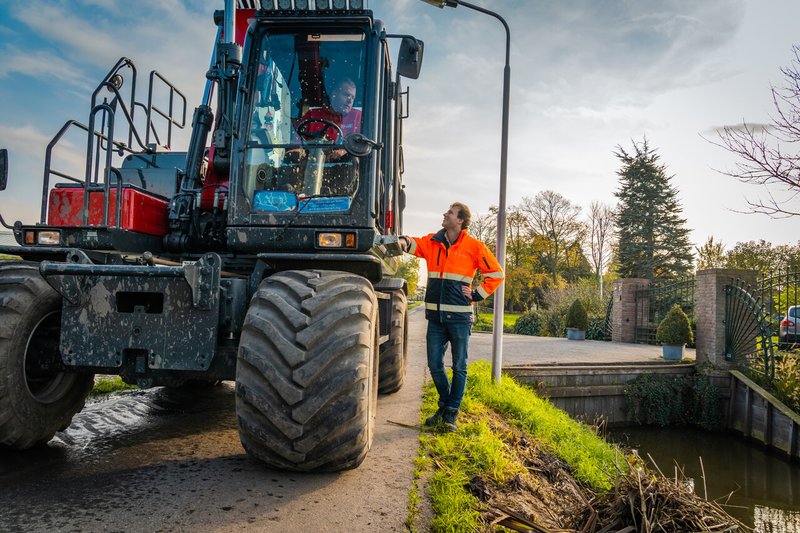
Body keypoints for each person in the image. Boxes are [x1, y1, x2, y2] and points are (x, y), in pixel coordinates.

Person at [399, 203, 504, 431]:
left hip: (459, 318)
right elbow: (413, 243)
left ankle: (450, 414)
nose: (445, 214)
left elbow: (497, 274)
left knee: (459, 367)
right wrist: (402, 241)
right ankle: (446, 406)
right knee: (434, 365)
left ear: (460, 220)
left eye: (450, 212)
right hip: (436, 319)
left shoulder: (475, 247)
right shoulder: (433, 241)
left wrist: (476, 294)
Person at [297, 77, 361, 144]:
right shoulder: (311, 115)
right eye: (346, 95)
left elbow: (363, 145)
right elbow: (297, 143)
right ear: (334, 94)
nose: (350, 101)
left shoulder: (358, 117)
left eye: (353, 97)